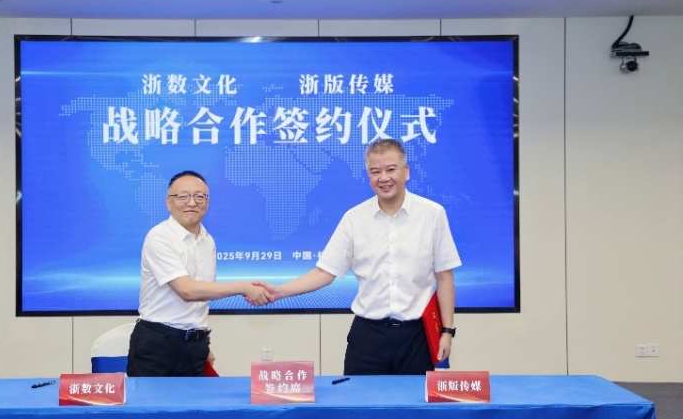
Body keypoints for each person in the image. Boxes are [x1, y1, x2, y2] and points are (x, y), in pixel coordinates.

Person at [257, 139, 461, 375]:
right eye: (375, 171)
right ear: (368, 176)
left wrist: (447, 331)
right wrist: (279, 292)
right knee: (359, 399)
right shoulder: (354, 219)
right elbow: (325, 272)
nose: (383, 178)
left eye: (390, 169)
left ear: (406, 171)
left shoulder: (432, 215)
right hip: (368, 337)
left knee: (415, 400)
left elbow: (444, 277)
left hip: (417, 337)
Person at [127, 170, 272, 377]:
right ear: (168, 202)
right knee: (152, 400)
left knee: (196, 400)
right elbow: (187, 291)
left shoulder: (207, 241)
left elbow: (201, 299)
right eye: (183, 196)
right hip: (158, 346)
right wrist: (242, 287)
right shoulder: (159, 237)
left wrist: (202, 341)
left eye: (199, 196)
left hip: (195, 347)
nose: (192, 202)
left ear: (207, 201)